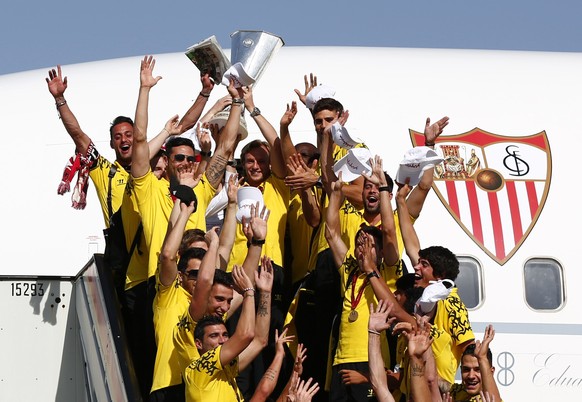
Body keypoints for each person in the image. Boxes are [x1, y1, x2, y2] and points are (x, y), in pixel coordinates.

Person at [396, 183, 475, 391]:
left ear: (439, 277)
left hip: (435, 392)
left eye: (424, 265)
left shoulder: (451, 303)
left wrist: (452, 388)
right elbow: (411, 244)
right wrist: (401, 202)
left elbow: (469, 347)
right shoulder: (426, 291)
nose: (416, 267)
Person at [184, 260, 273, 402]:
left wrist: (265, 292)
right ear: (198, 344)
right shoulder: (198, 370)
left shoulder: (228, 369)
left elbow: (260, 340)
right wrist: (248, 292)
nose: (222, 340)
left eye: (225, 335)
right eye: (214, 336)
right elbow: (246, 335)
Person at [449, 325, 502, 402]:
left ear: (491, 371)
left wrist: (482, 358)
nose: (471, 376)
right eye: (466, 369)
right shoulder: (452, 392)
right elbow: (431, 381)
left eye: (478, 369)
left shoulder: (490, 398)